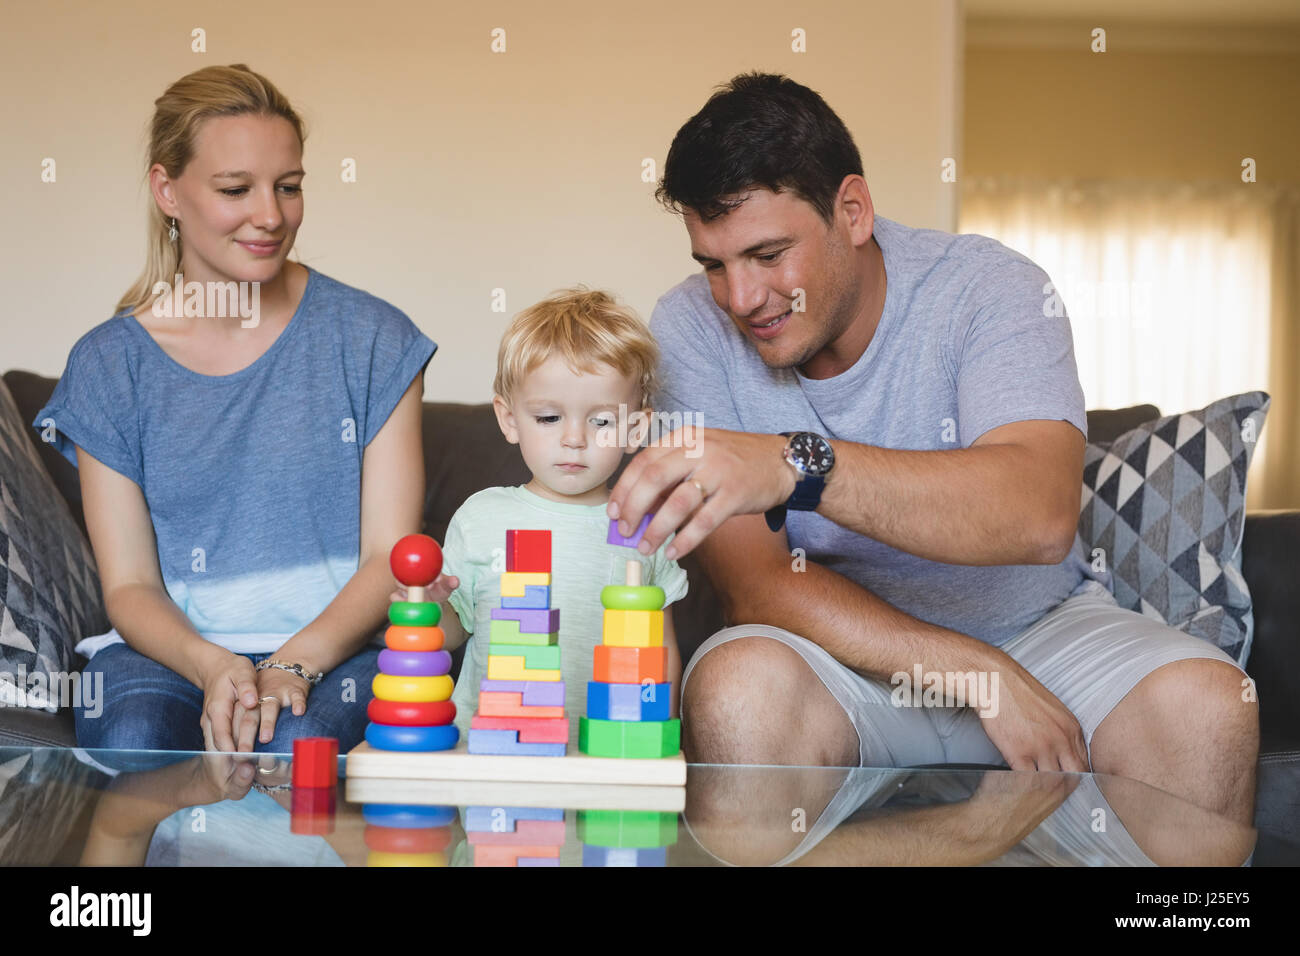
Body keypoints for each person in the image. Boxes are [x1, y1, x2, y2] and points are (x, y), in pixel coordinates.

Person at [607, 72, 1258, 841]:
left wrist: (795, 464)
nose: (741, 297)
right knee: (735, 689)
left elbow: (1040, 514)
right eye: (714, 264)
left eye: (767, 253)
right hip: (837, 657)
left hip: (1041, 629)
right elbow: (756, 586)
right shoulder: (688, 327)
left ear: (852, 210)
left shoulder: (990, 288)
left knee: (1209, 706)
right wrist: (972, 673)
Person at [33, 65, 434, 755]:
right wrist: (215, 665)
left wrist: (291, 665)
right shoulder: (108, 366)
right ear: (168, 190)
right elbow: (129, 586)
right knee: (136, 737)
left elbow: (387, 559)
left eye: (288, 186)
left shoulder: (374, 339)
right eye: (235, 189)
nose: (271, 216)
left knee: (295, 744)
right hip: (170, 657)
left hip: (339, 651)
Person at [390, 288, 687, 750]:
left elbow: (660, 649)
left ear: (635, 430)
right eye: (549, 417)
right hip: (496, 751)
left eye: (602, 422)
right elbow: (452, 634)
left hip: (606, 753)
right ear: (509, 420)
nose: (574, 439)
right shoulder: (481, 517)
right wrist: (429, 607)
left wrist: (658, 744)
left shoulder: (643, 527)